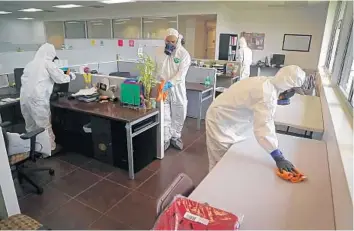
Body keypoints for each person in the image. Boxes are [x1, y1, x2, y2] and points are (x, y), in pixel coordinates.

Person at [206, 65, 306, 172]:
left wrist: (276, 100)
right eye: (292, 89)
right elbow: (264, 127)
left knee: (232, 158)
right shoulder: (267, 95)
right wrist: (277, 156)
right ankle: (214, 186)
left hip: (232, 116)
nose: (291, 93)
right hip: (221, 119)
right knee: (220, 161)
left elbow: (254, 99)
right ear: (286, 86)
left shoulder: (267, 81)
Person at [20, 43, 76, 152]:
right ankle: (48, 150)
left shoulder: (30, 64)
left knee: (30, 125)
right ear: (51, 53)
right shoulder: (47, 64)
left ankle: (33, 149)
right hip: (37, 99)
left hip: (24, 98)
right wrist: (71, 75)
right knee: (44, 125)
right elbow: (60, 78)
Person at [156, 28, 191, 151]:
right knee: (164, 113)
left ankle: (175, 136)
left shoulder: (183, 54)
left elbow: (181, 74)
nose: (170, 44)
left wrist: (170, 83)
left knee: (179, 111)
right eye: (168, 41)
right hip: (163, 87)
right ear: (165, 40)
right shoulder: (160, 53)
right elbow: (157, 69)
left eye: (173, 41)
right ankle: (165, 138)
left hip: (177, 88)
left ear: (177, 41)